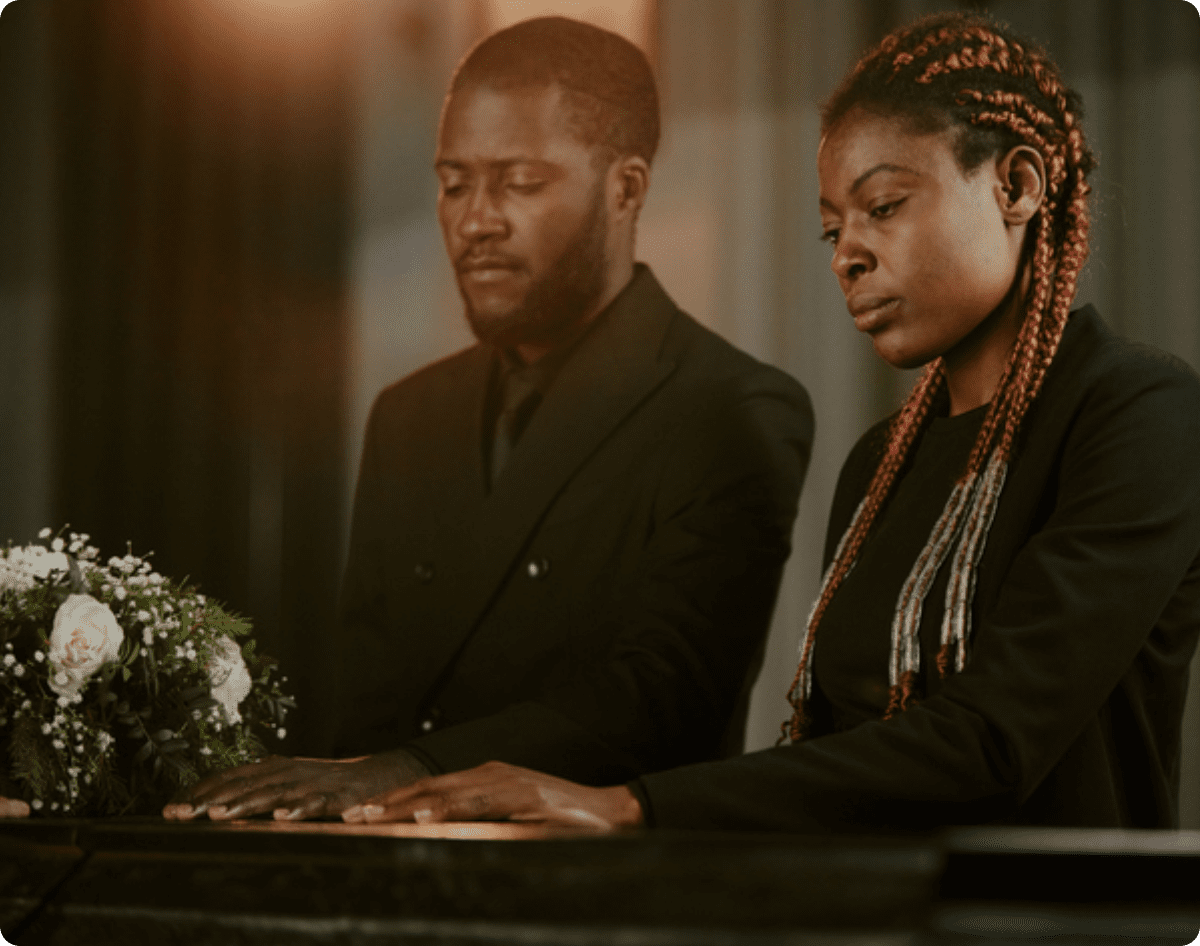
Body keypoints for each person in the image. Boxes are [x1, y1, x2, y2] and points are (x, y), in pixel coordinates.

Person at [339, 10, 1200, 834]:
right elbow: (827, 756)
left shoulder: (1138, 414)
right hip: (865, 910)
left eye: (884, 206)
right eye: (832, 232)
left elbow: (993, 742)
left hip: (1056, 913)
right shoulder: (880, 463)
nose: (849, 255)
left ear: (1017, 185)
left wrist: (630, 806)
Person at [155, 17, 813, 823]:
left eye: (520, 182)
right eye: (455, 182)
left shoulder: (730, 405)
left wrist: (399, 773)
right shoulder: (408, 415)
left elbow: (663, 697)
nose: (475, 220)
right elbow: (366, 708)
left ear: (626, 188)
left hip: (604, 878)